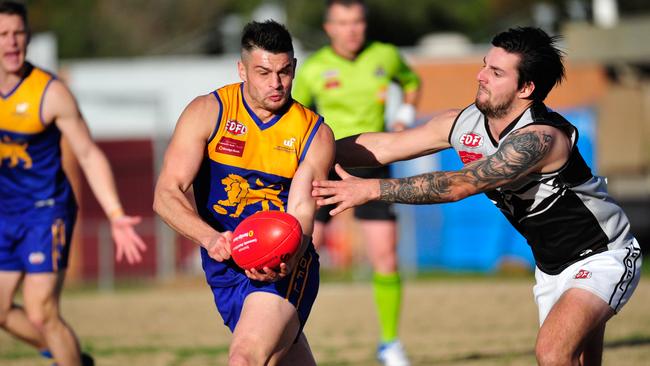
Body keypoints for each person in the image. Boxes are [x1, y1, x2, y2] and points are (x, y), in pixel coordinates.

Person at [313, 27, 642, 366]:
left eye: (496, 72)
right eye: (486, 64)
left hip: (604, 256)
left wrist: (370, 189)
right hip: (552, 268)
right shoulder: (465, 122)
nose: (480, 75)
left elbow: (459, 185)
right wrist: (309, 151)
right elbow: (386, 146)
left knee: (552, 352)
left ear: (526, 88)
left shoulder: (540, 139)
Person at [153, 20, 334, 366]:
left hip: (282, 266)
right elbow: (166, 194)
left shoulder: (313, 132)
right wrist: (210, 239)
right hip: (224, 265)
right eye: (263, 72)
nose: (276, 83)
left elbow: (301, 213)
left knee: (244, 358)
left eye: (284, 72)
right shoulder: (209, 112)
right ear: (242, 69)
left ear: (294, 68)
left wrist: (285, 258)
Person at [0, 2, 147, 365]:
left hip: (46, 211)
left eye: (18, 33)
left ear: (29, 37)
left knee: (40, 310)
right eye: (3, 34)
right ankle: (73, 358)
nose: (12, 42)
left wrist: (115, 214)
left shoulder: (50, 92)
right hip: (5, 213)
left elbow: (88, 154)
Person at [292, 1, 420, 364]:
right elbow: (296, 117)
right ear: (329, 27)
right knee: (299, 249)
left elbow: (411, 82)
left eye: (357, 22)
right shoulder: (314, 68)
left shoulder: (386, 56)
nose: (351, 29)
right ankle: (289, 330)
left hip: (374, 166)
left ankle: (390, 344)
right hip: (325, 166)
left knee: (386, 255)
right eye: (343, 23)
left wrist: (403, 116)